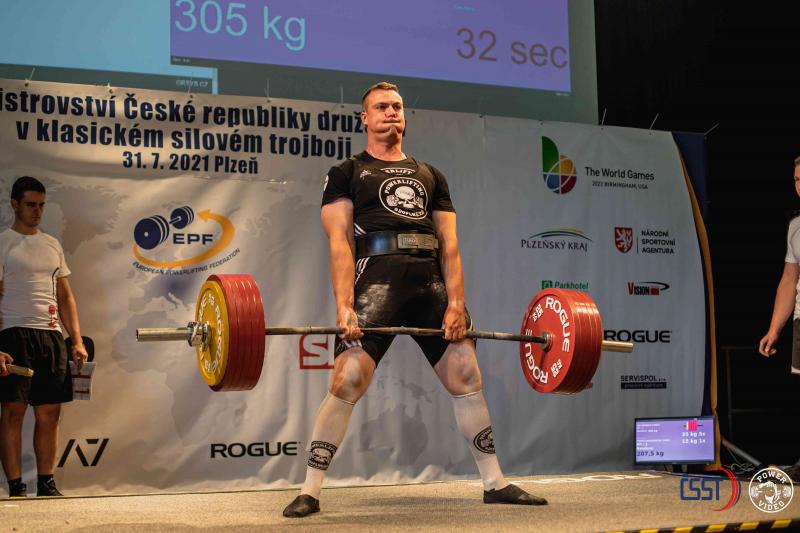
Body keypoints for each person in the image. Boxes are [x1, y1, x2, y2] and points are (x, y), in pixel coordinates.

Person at [282, 82, 547, 517]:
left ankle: (495, 483)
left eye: (397, 107)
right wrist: (345, 306)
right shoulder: (347, 172)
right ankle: (309, 491)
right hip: (377, 281)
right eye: (381, 107)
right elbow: (340, 243)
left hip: (429, 283)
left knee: (466, 374)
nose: (391, 112)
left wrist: (456, 304)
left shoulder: (431, 175)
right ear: (364, 118)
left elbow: (451, 245)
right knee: (347, 380)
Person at [0, 176, 88, 498]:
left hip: (51, 336)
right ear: (14, 204)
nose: (37, 211)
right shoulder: (4, 242)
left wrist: (76, 340)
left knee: (50, 413)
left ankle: (47, 484)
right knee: (13, 412)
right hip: (13, 335)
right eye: (30, 205)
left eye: (41, 205)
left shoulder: (52, 244)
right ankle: (15, 487)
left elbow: (65, 296)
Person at [758, 156, 800, 484]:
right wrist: (774, 328)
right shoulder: (796, 226)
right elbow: (789, 279)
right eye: (797, 179)